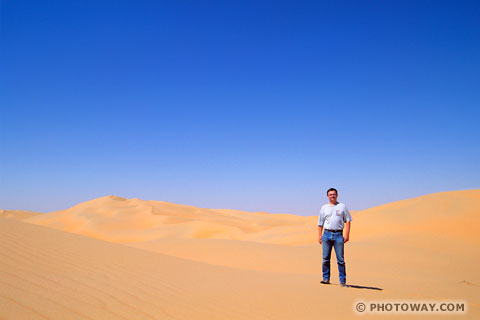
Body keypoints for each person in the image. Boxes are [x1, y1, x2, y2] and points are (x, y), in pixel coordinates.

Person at [318, 188, 352, 287]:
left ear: (337, 195)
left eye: (334, 194)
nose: (332, 196)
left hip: (338, 235)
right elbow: (320, 223)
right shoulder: (324, 208)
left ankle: (342, 281)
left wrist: (347, 234)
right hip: (326, 234)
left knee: (340, 260)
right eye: (330, 194)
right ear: (327, 196)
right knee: (325, 259)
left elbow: (348, 220)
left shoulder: (342, 206)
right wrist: (319, 235)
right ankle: (326, 278)